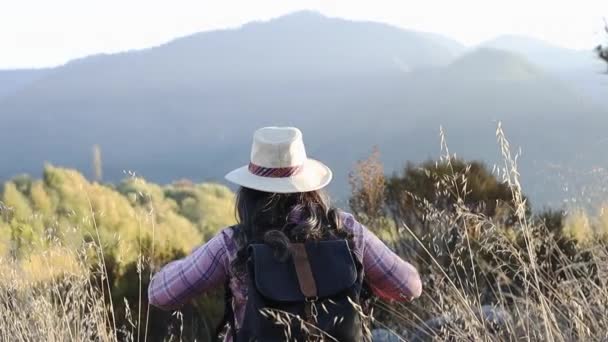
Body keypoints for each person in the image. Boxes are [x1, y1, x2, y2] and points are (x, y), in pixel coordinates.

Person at [148, 126, 422, 341]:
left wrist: (195, 254)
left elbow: (160, 294)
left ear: (249, 191)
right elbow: (409, 287)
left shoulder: (234, 242)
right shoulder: (345, 229)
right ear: (309, 185)